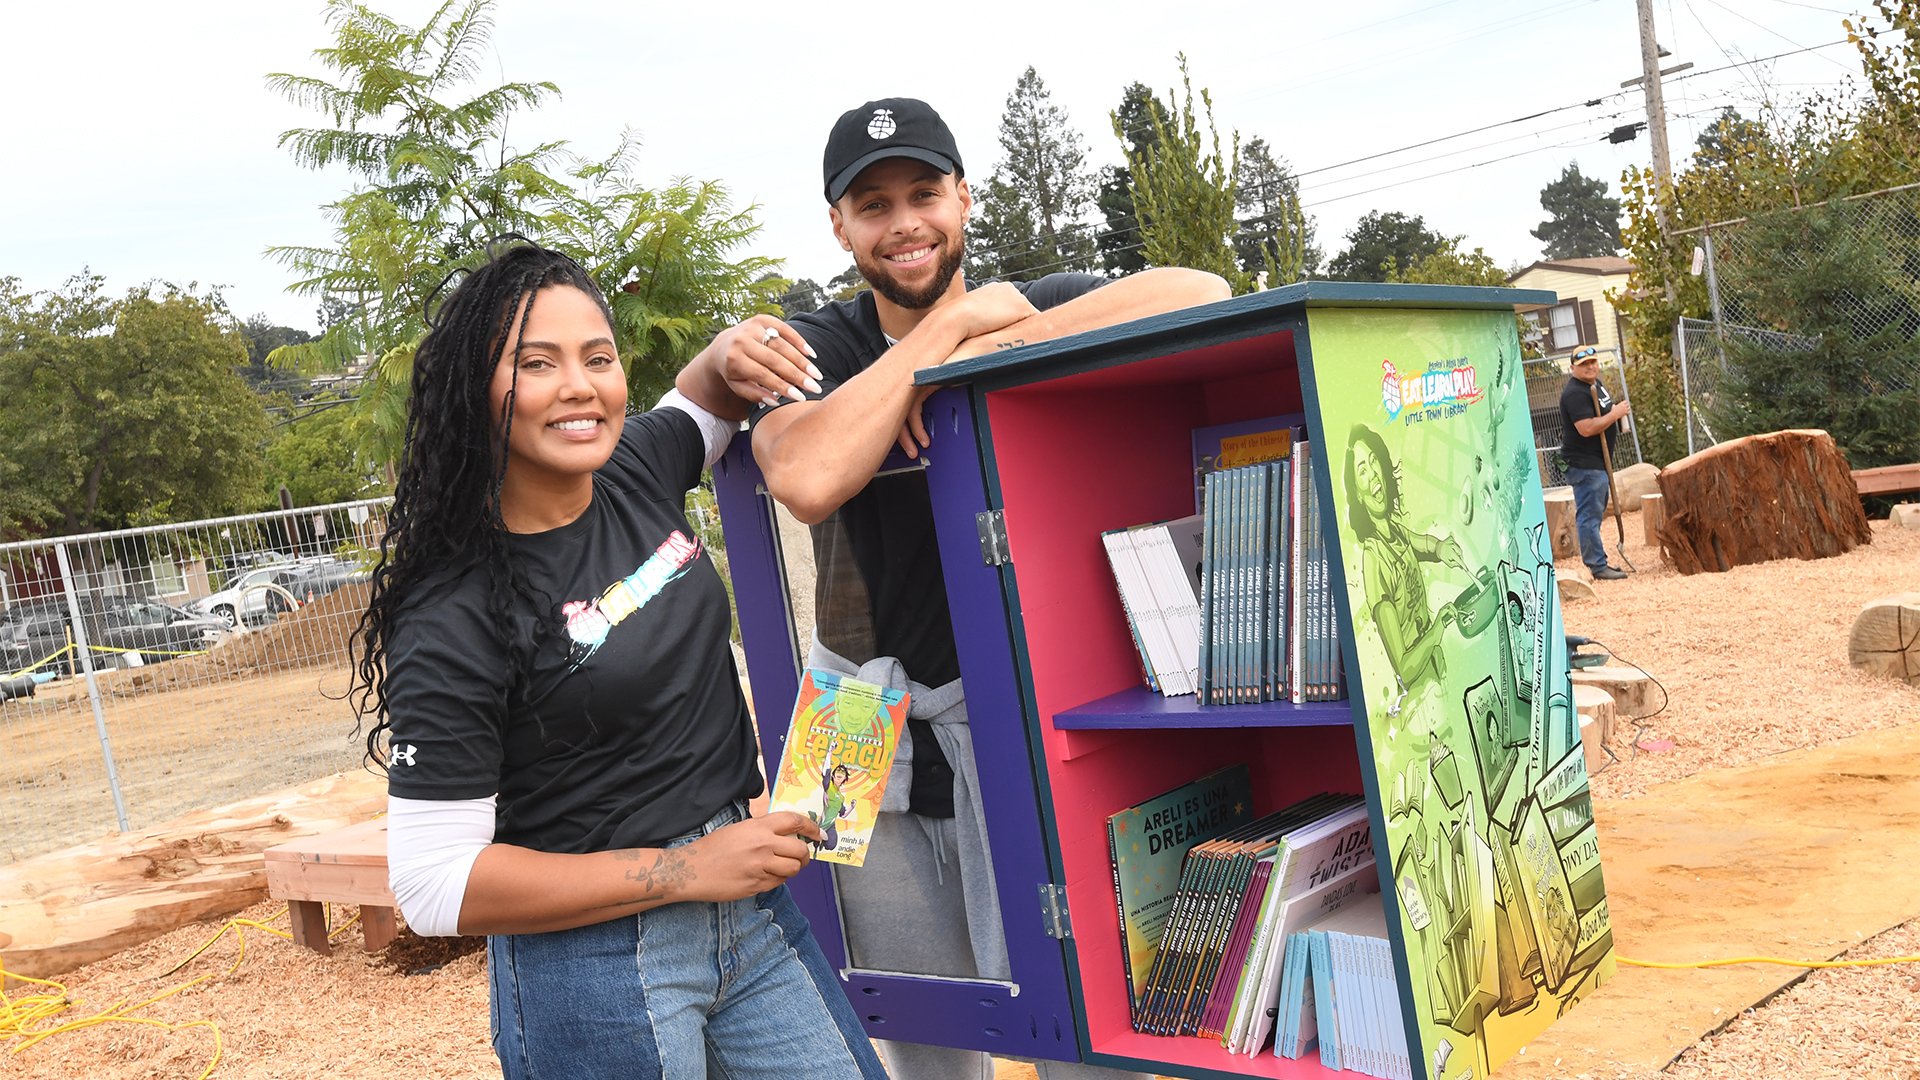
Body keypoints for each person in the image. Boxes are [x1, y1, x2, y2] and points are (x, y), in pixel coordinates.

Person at [686, 97, 1230, 1080]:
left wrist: (990, 341)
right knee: (910, 1023)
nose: (905, 224)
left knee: (1081, 1013)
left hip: (1019, 707)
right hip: (848, 711)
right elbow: (804, 480)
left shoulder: (1032, 301)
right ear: (839, 226)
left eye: (925, 194)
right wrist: (934, 344)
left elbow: (1200, 286)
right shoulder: (824, 346)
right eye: (875, 204)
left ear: (964, 198)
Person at [352, 239, 890, 1080]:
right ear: (476, 390)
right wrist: (682, 871)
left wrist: (729, 348)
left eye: (597, 358)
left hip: (748, 913)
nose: (580, 386)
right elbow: (432, 886)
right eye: (537, 363)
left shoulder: (635, 467)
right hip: (592, 966)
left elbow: (707, 394)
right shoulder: (452, 612)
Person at [1557, 345, 1631, 580]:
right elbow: (1587, 428)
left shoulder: (1594, 385)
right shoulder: (1575, 393)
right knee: (1589, 515)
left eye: (1593, 362)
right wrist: (1615, 415)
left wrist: (1616, 416)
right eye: (1583, 365)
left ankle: (1599, 561)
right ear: (1572, 368)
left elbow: (1604, 413)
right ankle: (1597, 566)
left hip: (1597, 463)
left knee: (1594, 513)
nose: (1590, 367)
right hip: (1584, 464)